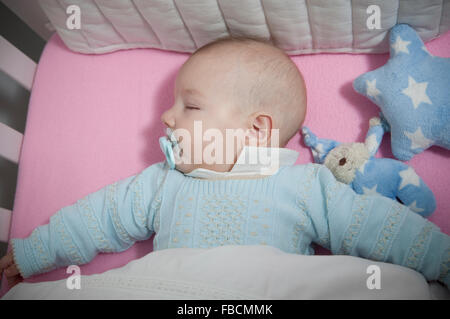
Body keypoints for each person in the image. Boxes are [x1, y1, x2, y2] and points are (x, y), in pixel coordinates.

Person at [1, 37, 448, 291]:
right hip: (180, 290)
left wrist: (441, 259)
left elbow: (373, 225)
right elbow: (96, 218)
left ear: (256, 129)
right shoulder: (164, 182)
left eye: (189, 107)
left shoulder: (304, 184)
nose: (166, 117)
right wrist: (37, 252)